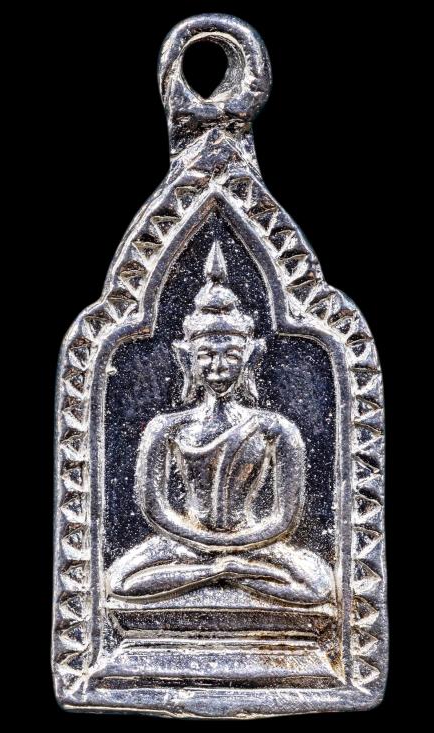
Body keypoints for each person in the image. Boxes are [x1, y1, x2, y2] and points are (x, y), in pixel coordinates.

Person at [107, 242, 334, 605]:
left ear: (250, 356)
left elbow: (284, 519)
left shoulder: (274, 428)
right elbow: (155, 509)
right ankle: (219, 574)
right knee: (118, 581)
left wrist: (235, 545)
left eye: (231, 355)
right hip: (186, 546)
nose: (218, 367)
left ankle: (228, 570)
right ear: (187, 359)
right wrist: (210, 548)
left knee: (321, 584)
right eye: (206, 355)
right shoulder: (167, 428)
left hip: (253, 544)